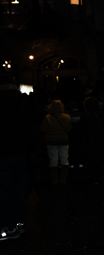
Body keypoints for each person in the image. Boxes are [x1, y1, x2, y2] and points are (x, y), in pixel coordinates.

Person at [0, 79, 41, 241]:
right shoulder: (22, 104)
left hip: (2, 153)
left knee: (4, 191)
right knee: (17, 190)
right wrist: (37, 151)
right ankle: (18, 224)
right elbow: (33, 129)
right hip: (19, 152)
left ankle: (7, 226)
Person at [41, 99, 72, 185]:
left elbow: (44, 129)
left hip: (51, 140)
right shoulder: (67, 117)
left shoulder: (47, 117)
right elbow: (69, 128)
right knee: (64, 160)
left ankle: (54, 180)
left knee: (53, 160)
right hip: (63, 140)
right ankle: (63, 179)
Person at [77, 96, 104, 182]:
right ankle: (97, 177)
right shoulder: (100, 114)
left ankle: (92, 177)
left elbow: (81, 130)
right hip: (99, 141)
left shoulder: (85, 115)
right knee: (98, 161)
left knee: (91, 160)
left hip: (88, 141)